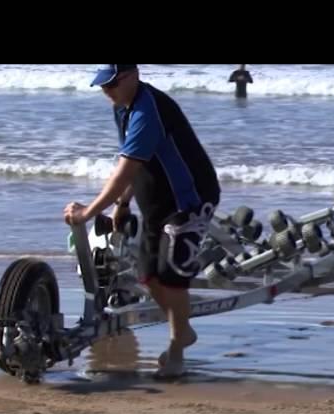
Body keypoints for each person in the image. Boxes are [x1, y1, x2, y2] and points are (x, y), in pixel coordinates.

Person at [64, 64, 221, 378]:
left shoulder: (149, 111)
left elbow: (124, 169)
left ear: (132, 75)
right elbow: (134, 162)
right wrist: (122, 205)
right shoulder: (123, 107)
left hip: (189, 200)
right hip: (157, 203)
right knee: (148, 277)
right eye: (103, 85)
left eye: (111, 84)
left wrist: (88, 212)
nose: (106, 91)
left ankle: (177, 349)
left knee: (172, 274)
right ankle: (184, 330)